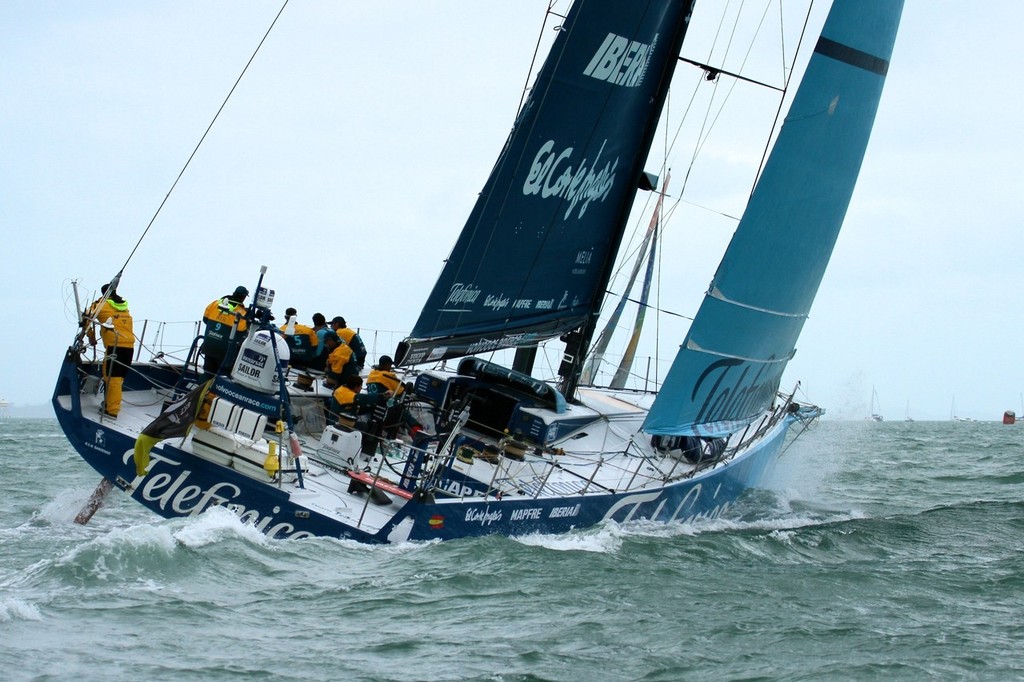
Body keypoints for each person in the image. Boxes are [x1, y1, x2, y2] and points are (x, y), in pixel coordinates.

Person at [85, 284, 134, 417]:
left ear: (103, 293)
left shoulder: (100, 304)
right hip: (129, 346)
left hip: (115, 346)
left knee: (112, 378)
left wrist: (91, 337)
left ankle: (111, 410)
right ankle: (109, 403)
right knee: (118, 379)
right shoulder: (124, 306)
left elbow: (86, 319)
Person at [201, 285, 249, 375]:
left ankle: (202, 386)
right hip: (224, 351)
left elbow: (205, 319)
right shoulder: (241, 313)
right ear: (243, 297)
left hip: (208, 345)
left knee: (207, 372)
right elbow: (241, 333)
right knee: (222, 375)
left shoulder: (215, 303)